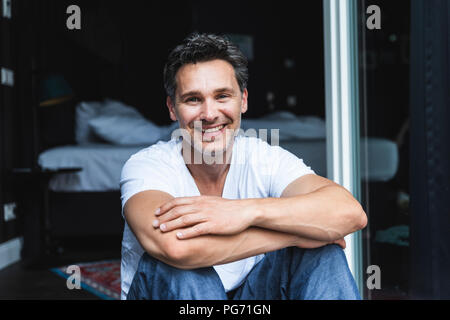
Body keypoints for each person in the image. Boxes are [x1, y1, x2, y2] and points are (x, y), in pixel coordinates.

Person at [120, 33, 367, 300]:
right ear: (172, 108)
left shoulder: (264, 158)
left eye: (222, 96)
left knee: (322, 253)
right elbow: (175, 248)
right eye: (193, 99)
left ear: (244, 100)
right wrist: (295, 236)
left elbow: (350, 213)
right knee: (184, 268)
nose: (210, 114)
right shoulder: (147, 166)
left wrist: (244, 212)